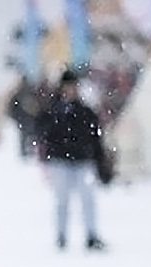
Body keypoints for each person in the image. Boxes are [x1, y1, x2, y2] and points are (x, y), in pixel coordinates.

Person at [38, 71, 107, 252]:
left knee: (87, 199)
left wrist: (99, 160)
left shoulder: (84, 111)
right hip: (61, 162)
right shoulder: (54, 111)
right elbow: (44, 133)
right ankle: (61, 235)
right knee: (62, 201)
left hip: (83, 161)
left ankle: (91, 234)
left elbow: (95, 137)